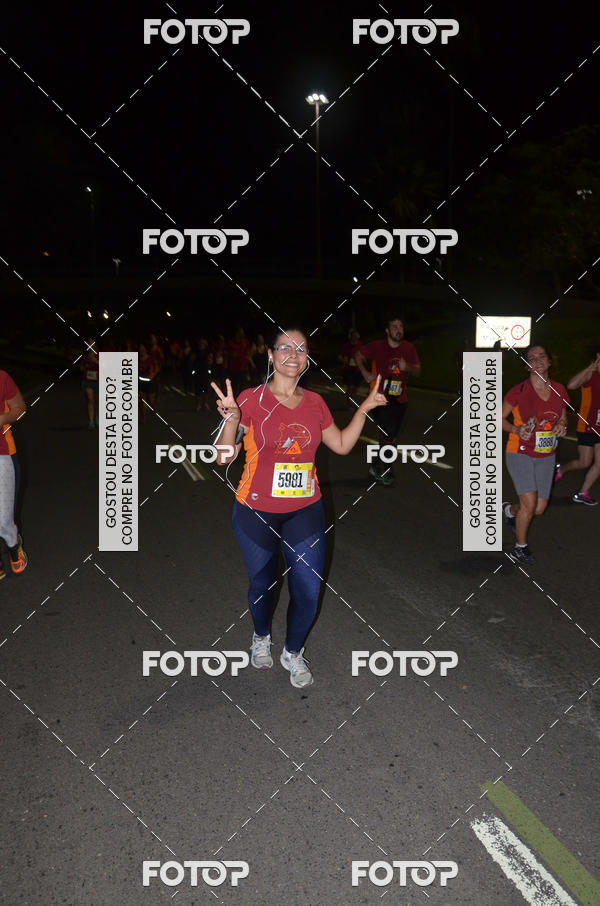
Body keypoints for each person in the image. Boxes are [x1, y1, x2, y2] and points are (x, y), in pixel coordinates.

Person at [212, 329, 387, 688]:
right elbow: (222, 457)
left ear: (307, 358)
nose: (294, 354)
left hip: (306, 509)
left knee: (307, 589)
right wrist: (231, 419)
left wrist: (364, 409)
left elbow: (339, 444)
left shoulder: (315, 403)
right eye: (285, 348)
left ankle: (292, 651)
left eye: (301, 349)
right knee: (263, 583)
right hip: (255, 510)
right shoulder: (250, 399)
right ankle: (261, 636)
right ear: (271, 355)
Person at [501, 344, 569, 563]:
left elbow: (562, 415)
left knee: (538, 508)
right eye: (532, 358)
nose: (537, 360)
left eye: (542, 356)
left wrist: (562, 424)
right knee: (529, 504)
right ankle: (520, 547)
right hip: (519, 450)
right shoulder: (518, 391)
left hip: (546, 453)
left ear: (549, 361)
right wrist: (516, 429)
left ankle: (510, 511)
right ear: (527, 366)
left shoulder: (560, 389)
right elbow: (496, 418)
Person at [354, 316, 421, 486]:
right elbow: (358, 355)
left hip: (400, 399)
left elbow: (418, 371)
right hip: (379, 398)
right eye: (394, 326)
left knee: (390, 437)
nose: (398, 329)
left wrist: (408, 367)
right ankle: (386, 469)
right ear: (387, 331)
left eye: (400, 326)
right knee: (389, 434)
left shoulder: (409, 348)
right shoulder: (377, 346)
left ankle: (376, 465)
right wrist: (365, 373)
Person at [554, 347, 600, 505]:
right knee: (585, 462)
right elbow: (572, 385)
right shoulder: (591, 374)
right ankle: (561, 470)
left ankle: (582, 493)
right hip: (587, 425)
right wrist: (590, 367)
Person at [0, 369, 28, 578]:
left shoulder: (2, 378)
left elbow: (20, 409)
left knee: (3, 517)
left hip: (3, 452)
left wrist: (2, 419)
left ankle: (12, 544)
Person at [338, 329, 362, 402]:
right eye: (354, 337)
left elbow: (364, 355)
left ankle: (352, 401)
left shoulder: (360, 345)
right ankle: (348, 401)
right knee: (350, 387)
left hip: (358, 370)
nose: (356, 338)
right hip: (348, 369)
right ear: (351, 337)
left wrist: (363, 358)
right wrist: (343, 359)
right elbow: (339, 356)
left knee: (355, 388)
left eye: (357, 337)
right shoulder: (346, 346)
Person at [81, 337, 99, 429]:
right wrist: (84, 368)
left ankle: (97, 418)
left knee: (97, 402)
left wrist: (95, 361)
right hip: (87, 381)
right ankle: (91, 421)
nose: (90, 344)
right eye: (89, 343)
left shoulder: (99, 354)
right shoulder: (85, 355)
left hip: (98, 381)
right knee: (90, 400)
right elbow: (82, 367)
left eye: (92, 342)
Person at [138, 343, 158, 421]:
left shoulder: (151, 358)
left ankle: (152, 407)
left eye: (143, 348)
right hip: (140, 382)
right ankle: (143, 417)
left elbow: (157, 367)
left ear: (146, 349)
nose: (142, 350)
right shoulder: (137, 359)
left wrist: (153, 375)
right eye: (140, 348)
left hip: (150, 382)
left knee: (150, 401)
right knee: (142, 401)